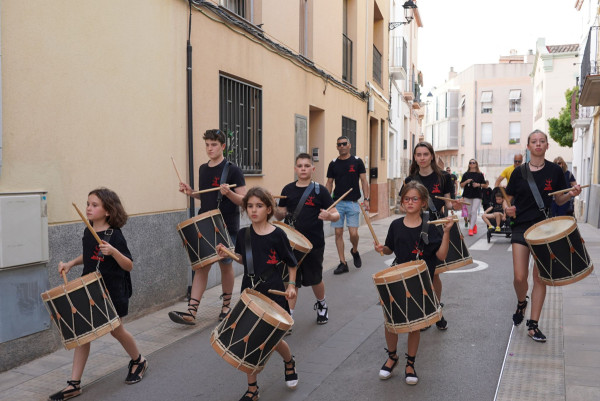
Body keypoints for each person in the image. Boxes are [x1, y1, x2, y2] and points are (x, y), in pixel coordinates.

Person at [50, 188, 148, 401]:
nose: (88, 208)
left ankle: (139, 360)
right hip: (91, 287)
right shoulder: (88, 230)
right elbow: (89, 255)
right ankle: (74, 384)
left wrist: (113, 252)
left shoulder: (115, 235)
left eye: (94, 205)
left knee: (116, 331)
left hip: (112, 290)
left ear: (108, 211)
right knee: (84, 335)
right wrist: (70, 264)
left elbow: (128, 265)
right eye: (88, 204)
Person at [217, 187, 299, 401]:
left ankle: (289, 361)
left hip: (273, 291)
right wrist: (227, 253)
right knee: (249, 338)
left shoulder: (278, 234)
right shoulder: (244, 234)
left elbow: (292, 263)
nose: (254, 210)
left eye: (259, 206)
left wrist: (291, 285)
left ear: (269, 209)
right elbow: (245, 260)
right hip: (250, 292)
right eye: (250, 206)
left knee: (273, 339)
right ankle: (252, 389)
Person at [505, 130, 581, 342]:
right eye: (534, 141)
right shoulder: (519, 172)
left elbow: (558, 200)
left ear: (547, 146)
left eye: (542, 141)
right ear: (528, 146)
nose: (538, 144)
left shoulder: (555, 171)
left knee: (540, 278)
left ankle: (533, 324)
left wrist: (570, 194)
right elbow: (507, 199)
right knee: (520, 277)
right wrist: (507, 208)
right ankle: (522, 302)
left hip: (544, 229)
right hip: (521, 227)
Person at [374, 181, 454, 385]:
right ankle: (392, 357)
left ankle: (410, 364)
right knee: (390, 323)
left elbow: (442, 255)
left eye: (414, 199)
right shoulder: (395, 225)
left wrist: (446, 233)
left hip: (421, 281)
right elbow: (390, 249)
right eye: (406, 199)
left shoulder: (432, 226)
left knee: (414, 326)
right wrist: (382, 248)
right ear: (401, 203)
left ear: (423, 203)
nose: (410, 202)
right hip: (398, 278)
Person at [170, 129, 247, 325]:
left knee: (225, 264)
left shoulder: (233, 170)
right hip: (204, 223)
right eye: (207, 145)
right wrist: (191, 192)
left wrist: (229, 193)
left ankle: (226, 306)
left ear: (223, 146)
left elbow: (244, 200)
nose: (209, 148)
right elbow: (205, 196)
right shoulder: (203, 169)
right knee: (201, 267)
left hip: (226, 224)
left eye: (213, 145)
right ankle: (191, 312)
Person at [275, 153, 340, 324]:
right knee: (291, 281)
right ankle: (289, 316)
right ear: (295, 169)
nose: (303, 168)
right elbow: (279, 216)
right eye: (300, 166)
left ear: (313, 168)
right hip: (290, 245)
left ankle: (322, 305)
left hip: (313, 244)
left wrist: (329, 215)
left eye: (306, 165)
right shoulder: (287, 190)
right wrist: (273, 208)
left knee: (315, 279)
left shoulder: (320, 191)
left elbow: (336, 214)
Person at [403, 142, 459, 330]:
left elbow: (449, 204)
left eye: (425, 154)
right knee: (420, 273)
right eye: (418, 154)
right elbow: (407, 204)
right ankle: (430, 312)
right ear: (415, 157)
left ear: (432, 156)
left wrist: (455, 205)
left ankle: (435, 310)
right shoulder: (411, 179)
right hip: (416, 228)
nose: (422, 158)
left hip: (436, 228)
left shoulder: (444, 177)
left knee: (434, 273)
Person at [326, 136, 370, 274]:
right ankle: (343, 263)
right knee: (338, 233)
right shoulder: (333, 164)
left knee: (353, 233)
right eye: (339, 144)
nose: (342, 146)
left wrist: (367, 199)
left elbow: (364, 181)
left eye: (344, 144)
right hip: (338, 203)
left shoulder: (357, 162)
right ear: (337, 147)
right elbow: (329, 183)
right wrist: (327, 201)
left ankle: (354, 250)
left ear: (349, 145)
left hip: (352, 203)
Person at [460, 159, 485, 236]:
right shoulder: (465, 174)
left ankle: (470, 229)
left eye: (473, 162)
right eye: (470, 162)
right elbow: (461, 185)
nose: (472, 164)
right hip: (467, 195)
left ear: (476, 164)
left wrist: (478, 185)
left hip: (477, 195)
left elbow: (485, 185)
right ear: (469, 164)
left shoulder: (480, 174)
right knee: (469, 213)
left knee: (474, 211)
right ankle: (474, 225)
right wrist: (466, 181)